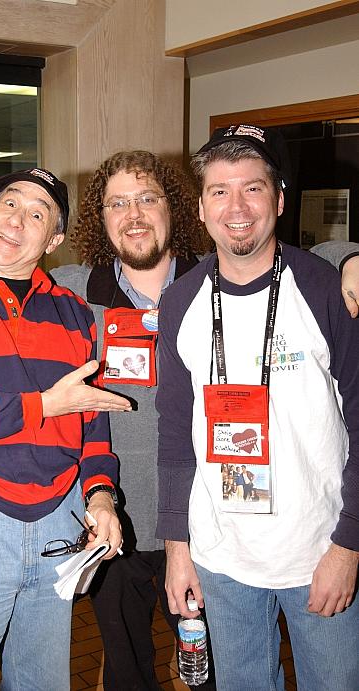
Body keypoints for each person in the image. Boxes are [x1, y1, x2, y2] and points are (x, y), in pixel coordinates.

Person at [0, 158, 358, 691]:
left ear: (178, 208)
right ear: (99, 220)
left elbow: (288, 255)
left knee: (209, 672)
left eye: (147, 198)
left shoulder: (206, 280)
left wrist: (351, 256)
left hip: (197, 526)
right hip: (107, 528)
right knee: (123, 673)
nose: (134, 214)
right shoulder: (79, 291)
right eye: (117, 203)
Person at [0, 151, 217, 691]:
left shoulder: (73, 309)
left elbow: (92, 421)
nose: (16, 219)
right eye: (9, 203)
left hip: (60, 526)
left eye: (37, 213)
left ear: (53, 240)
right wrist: (44, 406)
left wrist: (99, 495)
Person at [156, 125, 359, 691]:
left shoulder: (327, 291)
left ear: (280, 198)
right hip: (223, 562)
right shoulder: (180, 304)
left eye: (253, 188)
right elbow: (174, 437)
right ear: (200, 206)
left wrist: (349, 545)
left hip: (319, 552)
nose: (236, 207)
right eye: (220, 190)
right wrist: (179, 548)